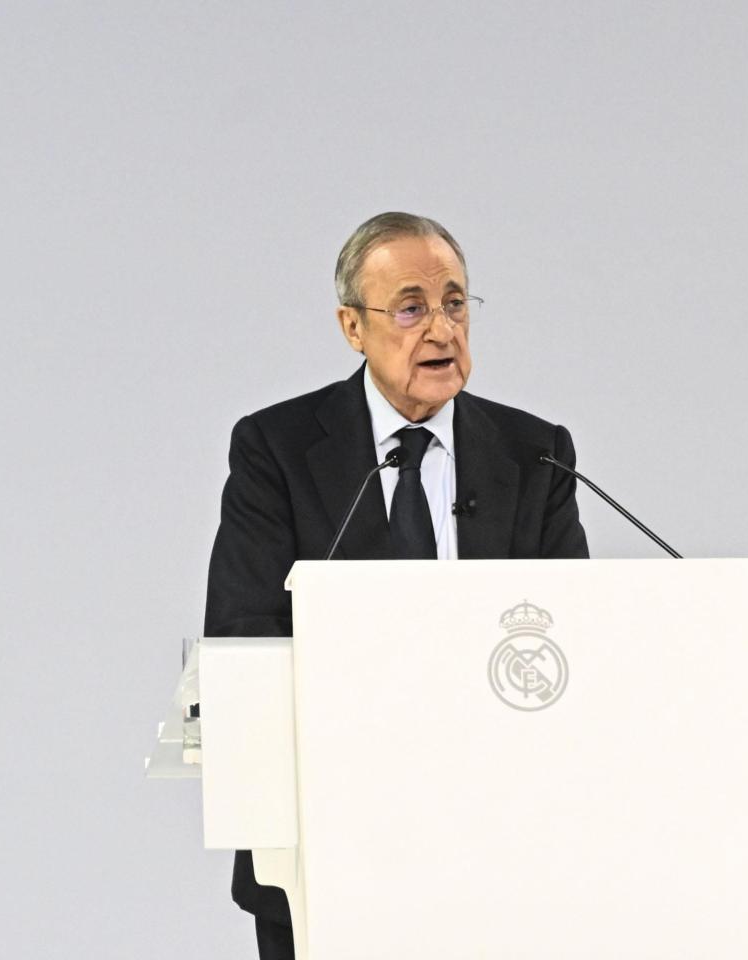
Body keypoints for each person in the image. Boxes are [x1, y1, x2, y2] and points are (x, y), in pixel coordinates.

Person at [203, 212, 589, 959]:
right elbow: (246, 636)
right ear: (353, 325)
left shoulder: (535, 453)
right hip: (329, 840)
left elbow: (570, 638)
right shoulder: (276, 449)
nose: (441, 329)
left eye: (455, 302)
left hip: (500, 847)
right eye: (410, 307)